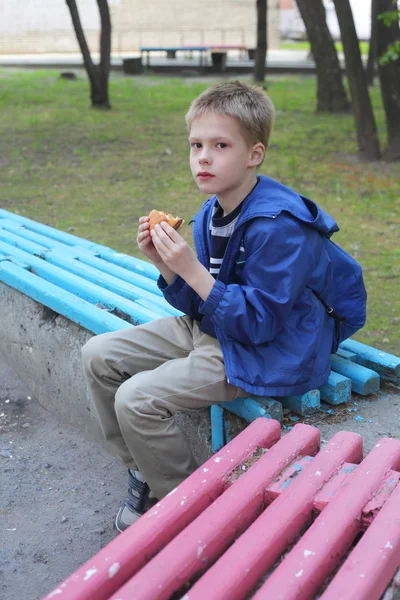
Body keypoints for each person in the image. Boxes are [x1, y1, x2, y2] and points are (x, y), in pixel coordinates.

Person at [82, 80, 339, 533]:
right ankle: (145, 467)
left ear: (253, 154)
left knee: (136, 399)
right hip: (214, 328)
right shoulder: (211, 211)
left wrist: (194, 271)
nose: (203, 156)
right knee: (98, 355)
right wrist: (168, 268)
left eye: (220, 145)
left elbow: (260, 323)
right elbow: (199, 301)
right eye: (196, 145)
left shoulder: (279, 227)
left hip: (266, 349)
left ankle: (190, 511)